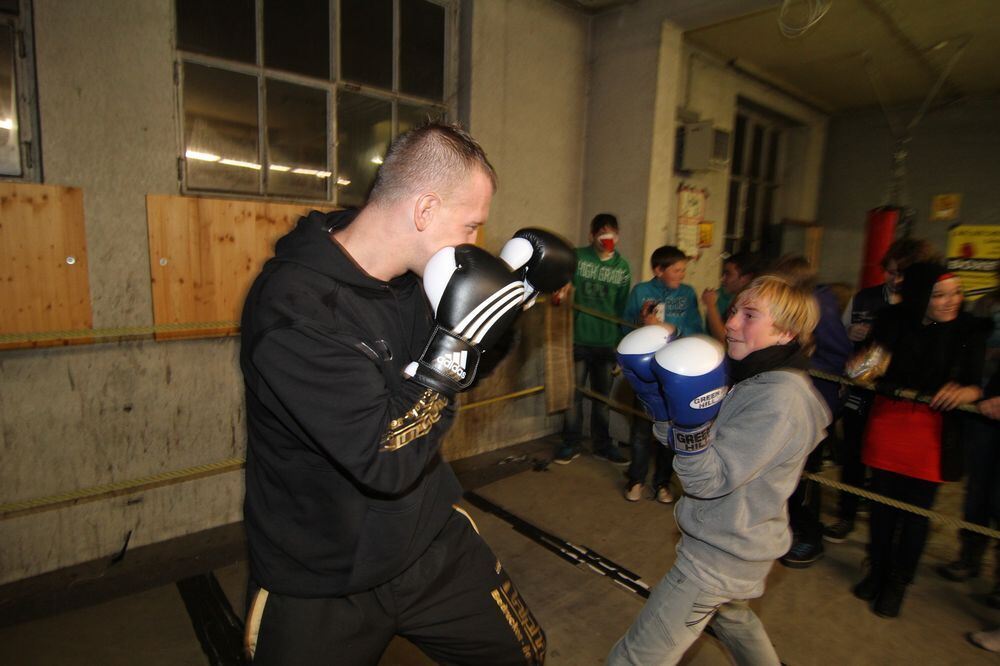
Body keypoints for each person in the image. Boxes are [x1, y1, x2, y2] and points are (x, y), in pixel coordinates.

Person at [239, 122, 552, 665]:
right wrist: (454, 346)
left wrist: (502, 312)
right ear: (424, 211)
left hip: (427, 541)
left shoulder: (417, 279)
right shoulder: (294, 312)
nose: (476, 242)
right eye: (472, 225)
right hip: (321, 577)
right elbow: (385, 454)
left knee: (523, 657)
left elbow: (459, 377)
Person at [607, 275, 829, 665]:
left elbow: (706, 478)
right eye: (733, 312)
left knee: (632, 660)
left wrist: (690, 426)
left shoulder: (778, 399)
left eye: (750, 315)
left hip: (718, 556)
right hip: (740, 538)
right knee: (733, 618)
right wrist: (662, 407)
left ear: (786, 332)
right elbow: (686, 448)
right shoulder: (753, 377)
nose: (729, 324)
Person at [853, 262, 987, 618]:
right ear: (919, 296)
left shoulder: (969, 330)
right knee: (881, 509)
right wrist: (863, 364)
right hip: (889, 425)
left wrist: (967, 392)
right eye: (940, 295)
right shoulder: (894, 321)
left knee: (915, 515)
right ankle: (877, 568)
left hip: (933, 435)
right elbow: (867, 370)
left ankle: (898, 581)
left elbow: (978, 383)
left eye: (956, 293)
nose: (951, 301)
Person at [825, 238, 938, 543]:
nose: (895, 280)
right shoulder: (865, 299)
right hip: (863, 394)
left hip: (902, 406)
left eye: (903, 274)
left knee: (892, 476)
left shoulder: (930, 307)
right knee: (853, 455)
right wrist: (852, 335)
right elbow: (850, 351)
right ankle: (846, 515)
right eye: (890, 272)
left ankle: (887, 528)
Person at [765, 255, 851, 568]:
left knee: (801, 477)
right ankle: (791, 529)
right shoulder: (807, 304)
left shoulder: (817, 306)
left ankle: (809, 536)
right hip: (796, 397)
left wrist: (799, 358)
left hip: (815, 402)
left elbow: (841, 358)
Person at [937, 267, 1000, 606]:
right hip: (981, 410)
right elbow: (964, 351)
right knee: (977, 490)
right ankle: (969, 555)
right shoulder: (986, 305)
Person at [621, 246, 703, 503]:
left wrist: (667, 328)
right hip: (647, 371)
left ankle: (662, 483)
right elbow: (625, 328)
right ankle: (636, 480)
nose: (681, 274)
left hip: (677, 371)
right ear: (658, 270)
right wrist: (642, 322)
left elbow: (695, 328)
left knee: (670, 431)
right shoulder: (641, 292)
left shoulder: (688, 293)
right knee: (642, 429)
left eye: (683, 269)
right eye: (676, 269)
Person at [554, 213, 632, 465]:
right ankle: (570, 442)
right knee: (573, 396)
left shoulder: (622, 268)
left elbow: (621, 307)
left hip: (607, 341)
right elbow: (561, 285)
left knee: (603, 400)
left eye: (611, 233)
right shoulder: (577, 257)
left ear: (617, 236)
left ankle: (602, 444)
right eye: (602, 232)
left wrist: (620, 344)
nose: (607, 238)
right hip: (577, 338)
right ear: (592, 235)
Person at [701, 251, 762, 343]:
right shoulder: (721, 296)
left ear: (745, 278)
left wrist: (711, 306)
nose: (722, 279)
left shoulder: (754, 304)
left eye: (728, 274)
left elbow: (726, 341)